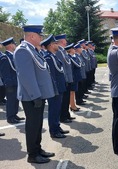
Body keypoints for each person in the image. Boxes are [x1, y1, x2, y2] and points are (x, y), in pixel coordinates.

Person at [14, 25, 55, 164]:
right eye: (39, 35)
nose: (41, 38)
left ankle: (38, 149)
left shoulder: (32, 50)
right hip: (31, 96)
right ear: (32, 36)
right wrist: (35, 95)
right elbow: (26, 76)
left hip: (38, 94)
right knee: (33, 125)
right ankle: (32, 154)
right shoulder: (23, 51)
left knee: (37, 125)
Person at [41, 34, 69, 139]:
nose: (58, 45)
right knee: (53, 110)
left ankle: (57, 127)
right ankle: (54, 131)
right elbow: (51, 76)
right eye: (56, 43)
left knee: (57, 110)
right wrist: (55, 90)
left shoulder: (53, 56)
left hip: (59, 87)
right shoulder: (48, 57)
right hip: (54, 89)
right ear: (51, 45)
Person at [0, 37, 24, 124]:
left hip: (16, 82)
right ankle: (10, 117)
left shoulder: (12, 55)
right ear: (10, 45)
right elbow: (5, 73)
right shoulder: (5, 57)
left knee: (16, 100)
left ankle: (14, 114)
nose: (15, 45)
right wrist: (8, 84)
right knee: (11, 101)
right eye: (14, 44)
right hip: (11, 84)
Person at [55, 34, 75, 123]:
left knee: (66, 99)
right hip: (64, 78)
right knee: (64, 100)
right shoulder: (59, 51)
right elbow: (61, 66)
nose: (66, 42)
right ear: (61, 41)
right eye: (64, 40)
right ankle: (63, 117)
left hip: (68, 78)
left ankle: (66, 114)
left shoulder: (63, 51)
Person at [65, 43, 82, 112]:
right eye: (73, 49)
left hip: (75, 77)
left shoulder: (73, 57)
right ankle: (72, 106)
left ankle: (73, 105)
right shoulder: (69, 58)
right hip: (73, 78)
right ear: (70, 50)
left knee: (73, 92)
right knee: (72, 92)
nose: (74, 50)